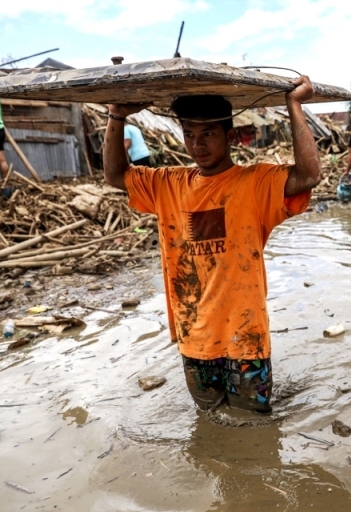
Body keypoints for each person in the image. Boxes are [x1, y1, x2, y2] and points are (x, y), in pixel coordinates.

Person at [102, 76, 321, 413]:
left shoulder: (255, 182)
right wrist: (117, 115)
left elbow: (308, 175)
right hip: (195, 337)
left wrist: (293, 104)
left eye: (207, 134)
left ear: (230, 136)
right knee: (210, 420)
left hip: (246, 336)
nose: (197, 144)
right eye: (189, 134)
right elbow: (116, 174)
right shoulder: (168, 185)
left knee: (254, 425)